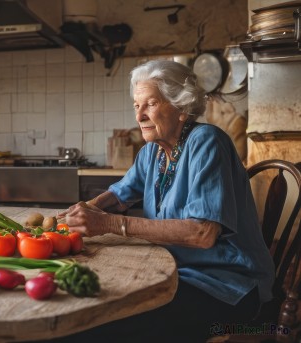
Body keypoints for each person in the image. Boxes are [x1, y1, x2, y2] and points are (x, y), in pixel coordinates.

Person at [57, 60, 274, 342]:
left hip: (228, 284)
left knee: (111, 322)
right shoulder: (153, 153)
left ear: (182, 109)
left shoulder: (207, 142)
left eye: (151, 104)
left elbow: (202, 234)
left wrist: (110, 223)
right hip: (177, 271)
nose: (140, 116)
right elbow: (120, 195)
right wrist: (85, 209)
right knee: (96, 306)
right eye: (137, 106)